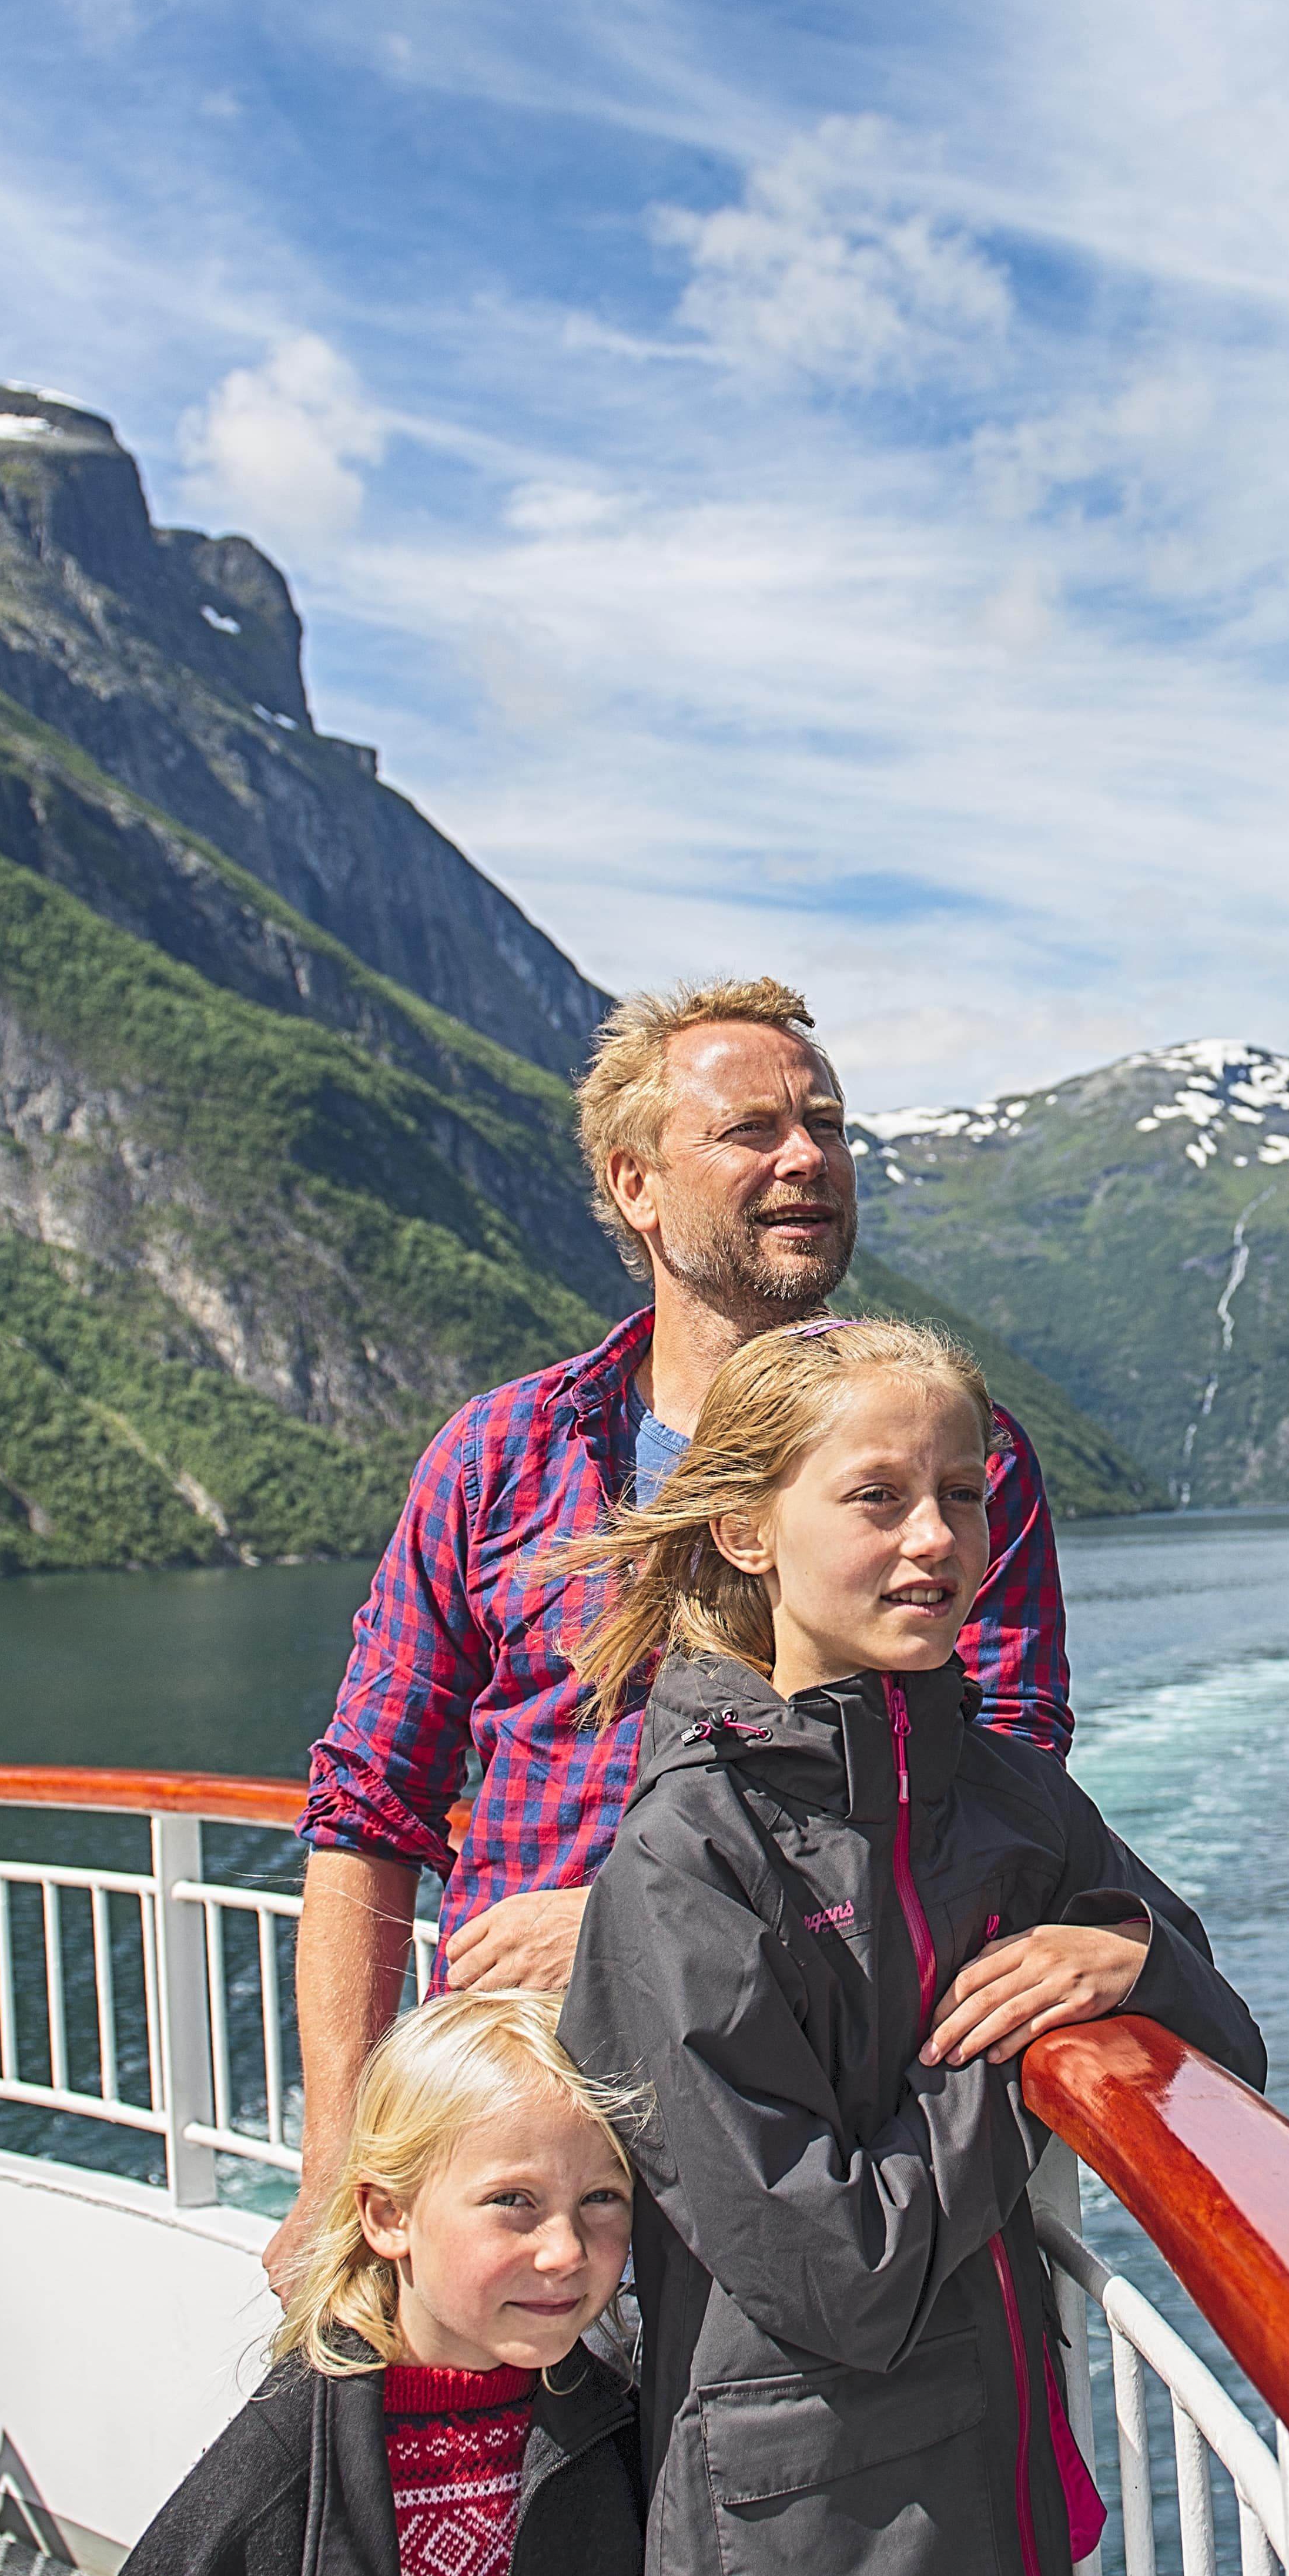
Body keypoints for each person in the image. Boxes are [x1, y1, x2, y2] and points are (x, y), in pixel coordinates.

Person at [277, 977, 1072, 2299]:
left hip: (807, 2159)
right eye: (753, 1129)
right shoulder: (500, 1456)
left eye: (827, 1123)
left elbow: (1005, 1807)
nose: (808, 1156)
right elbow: (367, 1810)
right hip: (520, 2150)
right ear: (635, 1184)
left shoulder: (957, 1463)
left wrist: (628, 1926)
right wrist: (330, 2169)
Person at [551, 1319, 1267, 2576]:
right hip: (808, 2531)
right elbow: (838, 2268)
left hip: (1002, 2482)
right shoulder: (689, 1860)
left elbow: (1230, 2044)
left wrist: (1126, 1954)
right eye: (877, 1497)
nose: (934, 1537)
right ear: (746, 1529)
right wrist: (1018, 2046)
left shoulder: (1008, 1798)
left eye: (961, 1494)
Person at [113, 1991, 645, 2576]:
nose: (567, 2252)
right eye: (513, 2201)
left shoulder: (618, 2431)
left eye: (601, 2197)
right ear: (390, 2217)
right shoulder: (282, 2463)